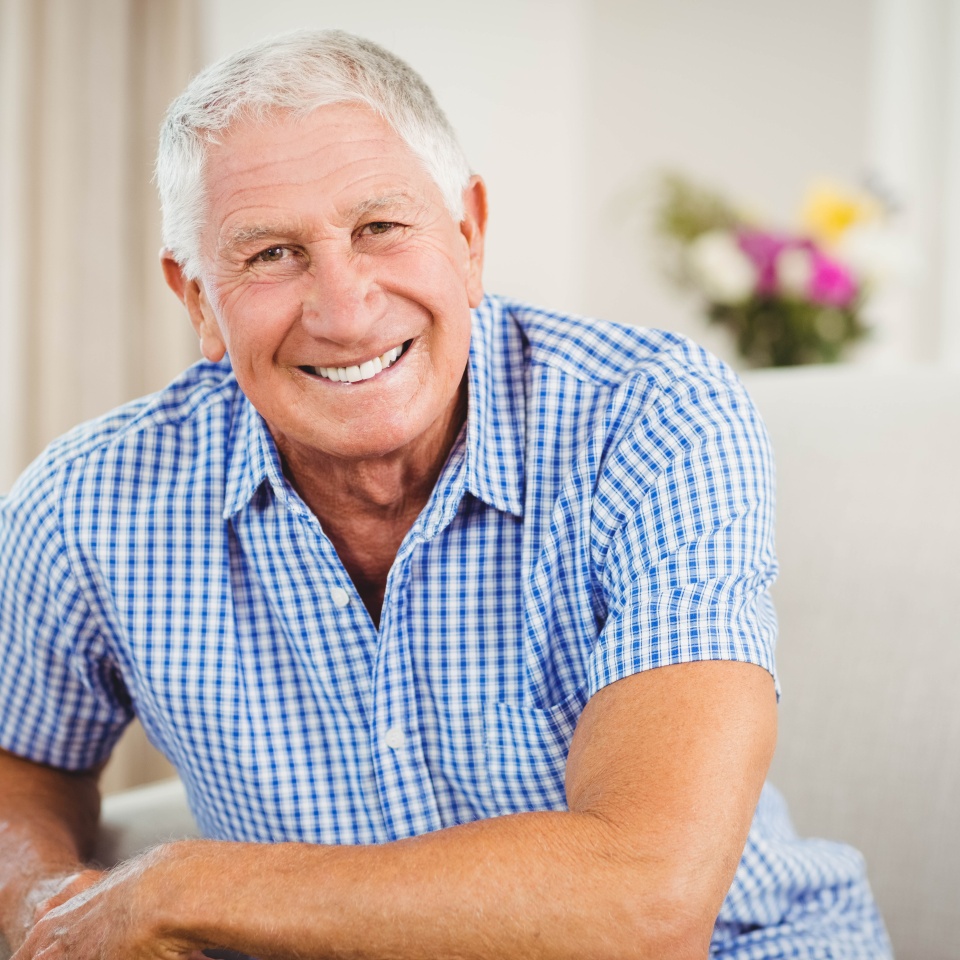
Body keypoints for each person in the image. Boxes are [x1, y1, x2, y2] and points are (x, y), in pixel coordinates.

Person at [0, 29, 891, 960]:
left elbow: (647, 904)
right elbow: (20, 764)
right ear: (195, 300)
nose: (344, 311)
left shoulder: (651, 417)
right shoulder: (85, 506)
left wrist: (185, 889)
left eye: (380, 228)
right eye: (269, 253)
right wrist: (43, 908)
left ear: (467, 236)